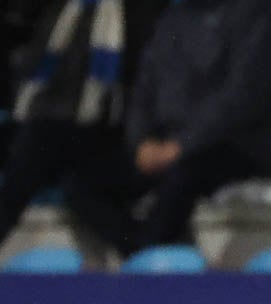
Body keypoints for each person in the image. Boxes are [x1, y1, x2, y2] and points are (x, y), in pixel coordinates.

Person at [60, 0, 271, 257]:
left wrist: (181, 146)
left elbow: (240, 98)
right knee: (81, 187)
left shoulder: (258, 16)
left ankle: (148, 257)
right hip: (165, 147)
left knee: (180, 179)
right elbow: (144, 88)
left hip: (233, 147)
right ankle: (141, 250)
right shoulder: (173, 16)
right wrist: (141, 143)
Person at [0, 0, 167, 251]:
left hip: (114, 127)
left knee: (46, 162)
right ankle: (144, 254)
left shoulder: (141, 10)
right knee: (35, 149)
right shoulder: (59, 8)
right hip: (54, 120)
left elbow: (145, 80)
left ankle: (147, 258)